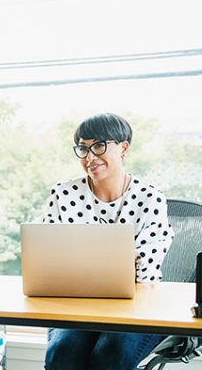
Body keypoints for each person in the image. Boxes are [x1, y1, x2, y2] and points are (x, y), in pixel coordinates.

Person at [40, 112, 174, 370]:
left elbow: (144, 272)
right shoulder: (64, 194)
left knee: (110, 355)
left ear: (123, 148)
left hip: (137, 305)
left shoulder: (150, 198)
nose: (90, 157)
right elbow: (45, 255)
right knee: (62, 354)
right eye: (83, 148)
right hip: (77, 304)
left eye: (99, 146)